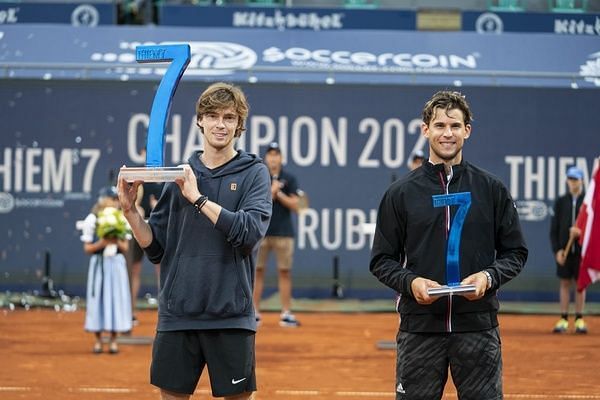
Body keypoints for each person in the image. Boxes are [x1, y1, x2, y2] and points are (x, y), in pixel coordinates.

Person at [370, 90, 528, 400]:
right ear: (425, 129)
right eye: (440, 125)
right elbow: (381, 260)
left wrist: (488, 277)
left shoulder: (491, 189)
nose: (447, 133)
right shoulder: (400, 194)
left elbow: (515, 252)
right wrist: (411, 281)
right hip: (420, 329)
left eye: (455, 126)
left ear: (467, 131)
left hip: (478, 328)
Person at [118, 82, 271, 400]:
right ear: (199, 120)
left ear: (239, 124)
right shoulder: (179, 175)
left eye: (229, 118)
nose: (220, 124)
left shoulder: (254, 173)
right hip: (178, 315)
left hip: (230, 316)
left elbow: (248, 233)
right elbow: (157, 247)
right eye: (212, 115)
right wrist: (131, 212)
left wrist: (198, 198)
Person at [253, 142, 301, 327]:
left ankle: (286, 313)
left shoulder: (290, 178)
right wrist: (269, 192)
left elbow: (297, 205)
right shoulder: (259, 176)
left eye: (276, 155)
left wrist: (278, 193)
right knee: (256, 271)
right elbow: (255, 201)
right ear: (266, 158)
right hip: (261, 231)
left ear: (281, 158)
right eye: (270, 155)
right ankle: (254, 312)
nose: (273, 159)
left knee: (285, 272)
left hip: (284, 233)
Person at [80, 186, 133, 354]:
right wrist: (101, 243)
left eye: (116, 199)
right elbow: (87, 248)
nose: (115, 202)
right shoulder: (92, 219)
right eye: (112, 199)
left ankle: (113, 341)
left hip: (116, 265)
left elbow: (125, 247)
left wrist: (115, 239)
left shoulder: (122, 219)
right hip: (99, 265)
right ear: (103, 200)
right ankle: (97, 341)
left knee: (116, 300)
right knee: (98, 301)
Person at [550, 166, 587, 334]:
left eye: (576, 179)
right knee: (564, 283)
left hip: (581, 252)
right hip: (564, 253)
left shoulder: (588, 203)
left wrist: (581, 233)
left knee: (580, 285)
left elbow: (594, 229)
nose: (573, 183)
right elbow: (554, 229)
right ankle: (564, 318)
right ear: (567, 181)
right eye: (570, 179)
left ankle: (579, 318)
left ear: (582, 181)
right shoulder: (560, 202)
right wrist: (557, 250)